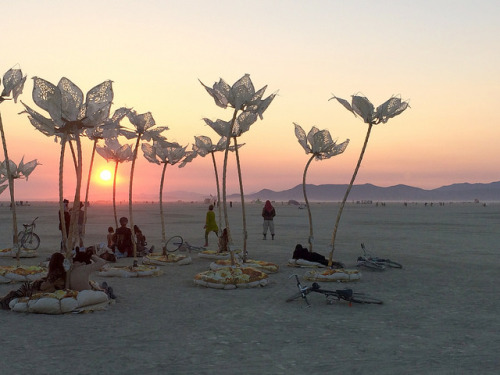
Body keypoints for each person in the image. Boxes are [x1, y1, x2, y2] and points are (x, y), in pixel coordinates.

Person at [0, 252, 67, 310]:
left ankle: (2, 302)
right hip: (38, 290)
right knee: (14, 294)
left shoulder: (55, 274)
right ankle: (2, 300)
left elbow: (43, 287)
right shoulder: (62, 273)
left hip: (35, 291)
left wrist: (38, 282)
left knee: (14, 294)